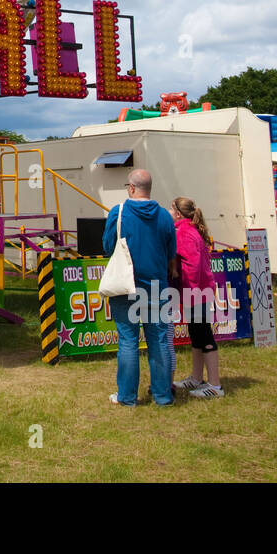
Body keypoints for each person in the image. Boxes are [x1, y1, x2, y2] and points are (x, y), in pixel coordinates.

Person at [103, 169, 178, 407]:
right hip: (157, 286)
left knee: (128, 341)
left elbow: (107, 246)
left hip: (126, 285)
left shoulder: (119, 212)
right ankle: (163, 396)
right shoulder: (166, 216)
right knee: (158, 341)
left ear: (132, 188)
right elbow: (170, 253)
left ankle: (127, 397)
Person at [170, 196, 223, 398]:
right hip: (198, 290)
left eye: (170, 208)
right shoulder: (191, 230)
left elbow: (193, 266)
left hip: (196, 290)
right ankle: (196, 376)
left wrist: (190, 291)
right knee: (196, 333)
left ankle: (215, 385)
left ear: (177, 213)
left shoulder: (183, 232)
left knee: (204, 334)